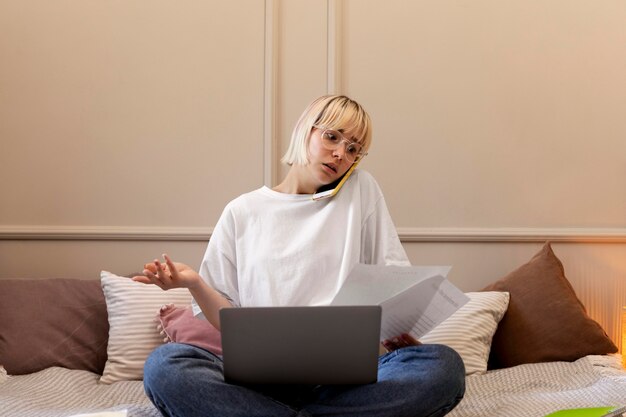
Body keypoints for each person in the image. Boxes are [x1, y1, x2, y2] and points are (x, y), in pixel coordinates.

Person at [133, 95, 465, 417]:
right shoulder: (242, 212)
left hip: (343, 386)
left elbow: (393, 279)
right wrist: (192, 282)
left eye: (353, 149)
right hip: (258, 386)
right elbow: (226, 321)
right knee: (165, 366)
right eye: (331, 137)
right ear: (305, 130)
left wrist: (398, 330)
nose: (339, 154)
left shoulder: (361, 191)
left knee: (443, 366)